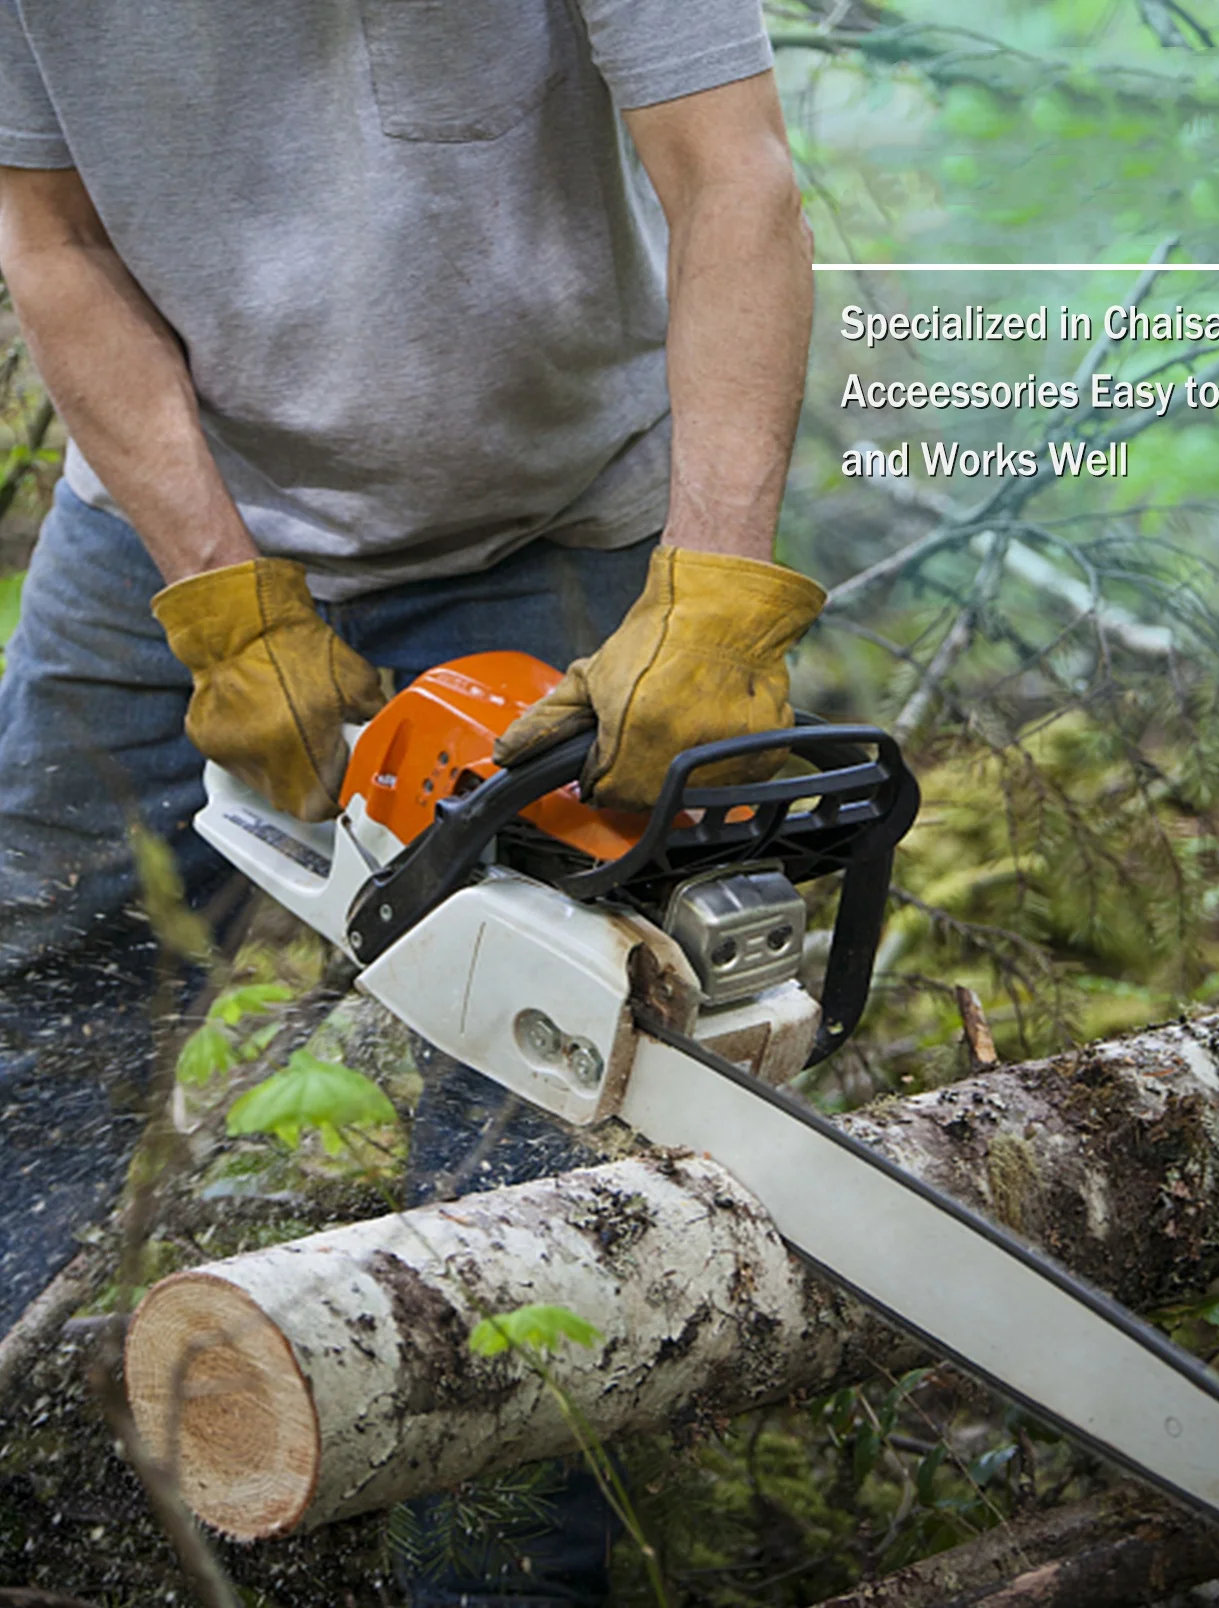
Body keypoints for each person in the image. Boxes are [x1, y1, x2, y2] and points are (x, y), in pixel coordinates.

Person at [0, 5, 824, 1601]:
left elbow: (733, 178)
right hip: (172, 514)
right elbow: (51, 236)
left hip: (555, 510)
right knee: (32, 996)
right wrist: (218, 592)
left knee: (562, 1089)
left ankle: (498, 1574)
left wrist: (715, 591)